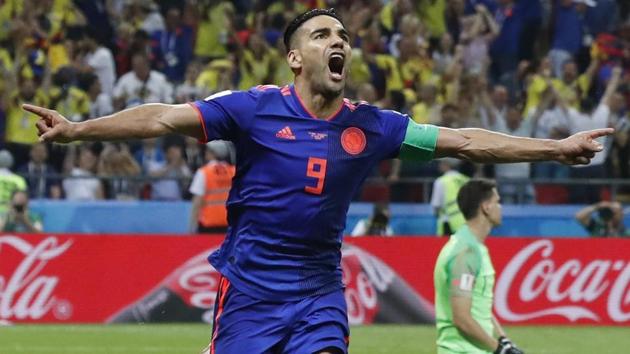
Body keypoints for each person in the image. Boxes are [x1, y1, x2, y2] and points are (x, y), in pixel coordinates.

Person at [24, 8, 612, 354]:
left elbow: (462, 139)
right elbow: (158, 115)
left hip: (318, 293)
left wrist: (556, 149)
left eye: (344, 38)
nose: (338, 42)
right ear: (295, 59)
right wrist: (78, 131)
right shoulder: (252, 108)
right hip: (249, 293)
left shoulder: (372, 125)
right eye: (322, 35)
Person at [434, 178, 524, 354]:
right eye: (497, 202)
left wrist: (503, 340)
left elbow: (478, 307)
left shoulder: (472, 246)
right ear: (486, 207)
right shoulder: (466, 253)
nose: (501, 207)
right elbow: (461, 319)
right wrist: (499, 350)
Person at [189, 141, 235, 234]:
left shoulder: (203, 172)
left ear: (213, 153)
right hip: (229, 223)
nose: (205, 153)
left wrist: (192, 226)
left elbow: (197, 202)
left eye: (207, 151)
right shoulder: (233, 171)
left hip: (208, 224)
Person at [431, 158, 469, 236]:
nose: (439, 165)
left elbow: (436, 205)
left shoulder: (441, 181)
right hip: (466, 223)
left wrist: (437, 215)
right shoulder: (466, 180)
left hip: (447, 223)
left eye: (441, 163)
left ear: (446, 164)